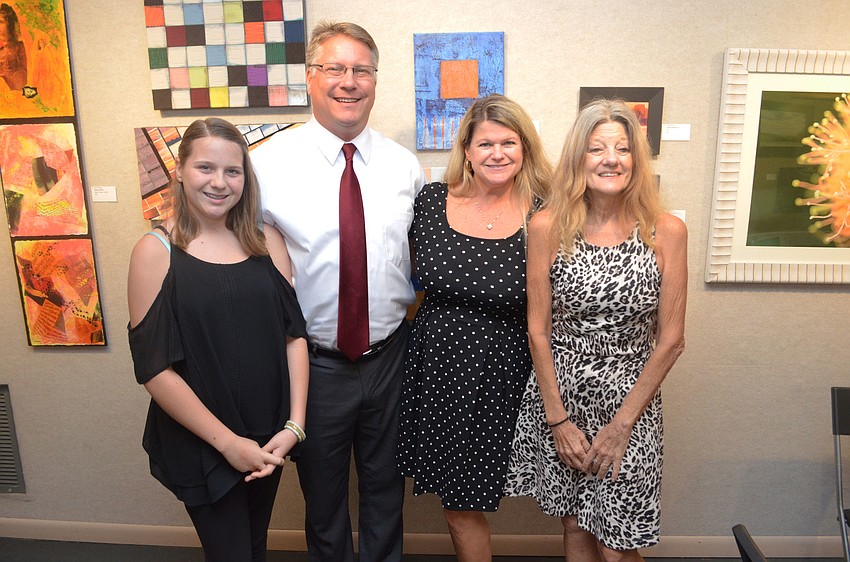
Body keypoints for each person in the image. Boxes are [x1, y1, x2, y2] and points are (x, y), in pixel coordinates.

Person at [251, 21, 426, 562]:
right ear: (310, 78)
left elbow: (420, 265)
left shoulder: (405, 168)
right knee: (323, 501)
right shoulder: (267, 166)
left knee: (385, 494)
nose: (349, 82)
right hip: (315, 365)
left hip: (390, 357)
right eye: (335, 69)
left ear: (375, 81)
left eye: (362, 71)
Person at [504, 99, 688, 561]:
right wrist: (557, 420)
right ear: (578, 159)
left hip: (632, 403)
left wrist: (622, 425)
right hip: (563, 398)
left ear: (636, 160)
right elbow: (538, 330)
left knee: (618, 542)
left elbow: (671, 340)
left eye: (622, 149)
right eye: (596, 148)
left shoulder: (666, 231)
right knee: (574, 524)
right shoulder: (547, 227)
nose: (611, 158)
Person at [127, 117, 310, 562]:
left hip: (268, 435)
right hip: (205, 442)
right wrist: (229, 444)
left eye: (233, 171)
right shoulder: (156, 251)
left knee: (253, 546)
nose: (219, 182)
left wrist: (294, 426)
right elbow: (154, 369)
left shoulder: (267, 242)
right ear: (180, 172)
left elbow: (294, 337)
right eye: (205, 168)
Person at [397, 93, 551, 561]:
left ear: (525, 148)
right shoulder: (430, 201)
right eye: (485, 143)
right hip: (437, 369)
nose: (497, 153)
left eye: (509, 142)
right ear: (465, 149)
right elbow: (400, 278)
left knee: (532, 494)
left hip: (507, 373)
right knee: (458, 504)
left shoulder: (545, 213)